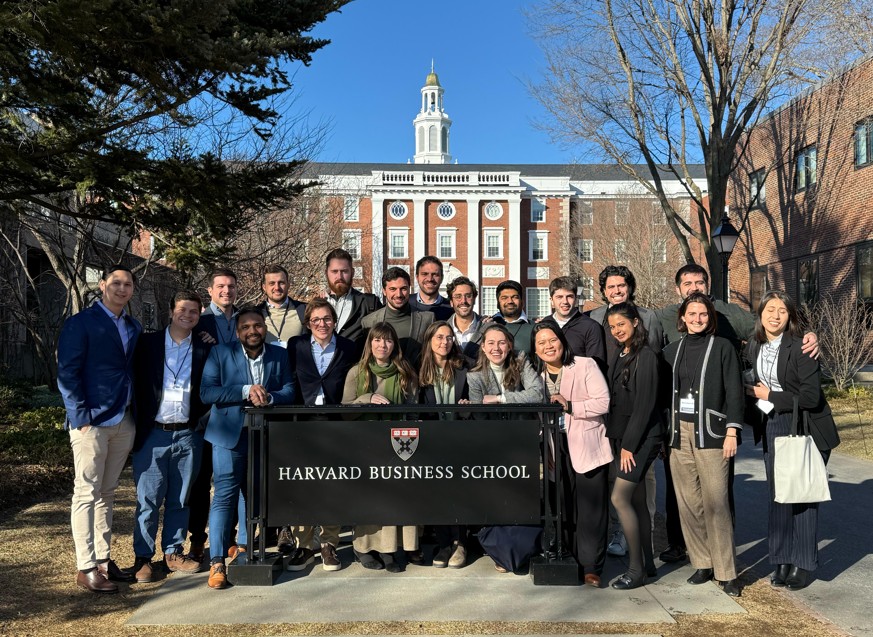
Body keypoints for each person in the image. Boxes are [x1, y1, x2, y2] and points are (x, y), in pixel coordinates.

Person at [655, 263, 818, 565]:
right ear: (678, 289)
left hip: (716, 417)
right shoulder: (663, 317)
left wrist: (806, 334)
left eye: (699, 282)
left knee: (719, 492)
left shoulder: (728, 313)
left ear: (708, 285)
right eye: (687, 283)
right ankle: (681, 545)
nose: (694, 288)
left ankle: (723, 553)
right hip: (681, 420)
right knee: (681, 491)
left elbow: (768, 324)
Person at [745, 291, 840, 591]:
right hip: (772, 423)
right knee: (778, 496)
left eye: (782, 311)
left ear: (790, 317)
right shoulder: (754, 345)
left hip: (805, 427)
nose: (775, 316)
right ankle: (781, 560)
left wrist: (769, 395)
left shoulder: (802, 347)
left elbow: (811, 397)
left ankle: (802, 563)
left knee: (801, 497)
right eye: (770, 309)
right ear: (760, 313)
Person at [57, 265, 142, 593]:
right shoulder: (81, 323)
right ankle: (86, 567)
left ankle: (103, 560)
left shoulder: (133, 325)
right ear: (103, 285)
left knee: (107, 493)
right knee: (86, 493)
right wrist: (80, 417)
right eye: (116, 283)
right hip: (91, 422)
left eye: (127, 284)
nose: (122, 288)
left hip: (124, 419)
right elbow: (67, 372)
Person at [200, 308, 296, 589]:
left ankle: (245, 548)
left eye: (257, 325)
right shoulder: (220, 353)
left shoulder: (279, 354)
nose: (252, 331)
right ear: (237, 331)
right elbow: (207, 392)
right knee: (224, 496)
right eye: (245, 327)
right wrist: (246, 390)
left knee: (252, 494)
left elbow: (290, 389)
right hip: (228, 435)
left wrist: (270, 397)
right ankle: (217, 561)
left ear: (265, 327)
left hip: (264, 436)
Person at [126, 291, 211, 583]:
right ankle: (142, 557)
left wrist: (201, 424)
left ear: (199, 316)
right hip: (153, 432)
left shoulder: (204, 347)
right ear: (171, 311)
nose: (187, 316)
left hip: (188, 434)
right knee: (148, 500)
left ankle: (173, 552)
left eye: (194, 312)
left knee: (181, 498)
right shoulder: (147, 344)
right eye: (182, 310)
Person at [663, 292, 743, 597]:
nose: (697, 319)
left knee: (716, 502)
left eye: (703, 314)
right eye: (692, 314)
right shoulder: (671, 351)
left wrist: (732, 431)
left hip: (712, 433)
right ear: (682, 317)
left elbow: (734, 391)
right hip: (678, 434)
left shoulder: (723, 347)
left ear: (710, 318)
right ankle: (702, 562)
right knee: (688, 502)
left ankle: (727, 572)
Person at [587, 266, 661, 560]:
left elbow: (653, 365)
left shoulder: (648, 317)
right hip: (609, 410)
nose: (616, 290)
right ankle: (622, 533)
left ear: (630, 287)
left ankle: (642, 536)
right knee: (614, 478)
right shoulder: (594, 318)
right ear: (604, 291)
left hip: (638, 413)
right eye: (611, 287)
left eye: (621, 285)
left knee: (641, 482)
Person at [530, 321, 612, 587]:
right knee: (563, 505)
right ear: (535, 349)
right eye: (541, 343)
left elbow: (603, 402)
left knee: (590, 510)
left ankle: (591, 567)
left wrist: (571, 405)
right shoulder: (535, 376)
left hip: (587, 443)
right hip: (555, 446)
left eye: (552, 340)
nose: (548, 346)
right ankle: (570, 558)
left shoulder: (585, 365)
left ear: (562, 341)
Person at [284, 298, 357, 571]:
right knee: (302, 484)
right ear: (308, 323)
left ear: (334, 321)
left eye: (327, 319)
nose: (322, 324)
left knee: (332, 486)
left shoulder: (349, 347)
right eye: (316, 320)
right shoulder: (297, 346)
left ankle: (329, 544)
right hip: (303, 424)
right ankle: (304, 546)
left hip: (335, 425)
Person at [342, 322, 420, 573]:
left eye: (387, 340)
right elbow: (344, 411)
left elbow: (413, 410)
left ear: (394, 344)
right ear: (370, 343)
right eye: (377, 340)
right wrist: (366, 399)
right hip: (364, 443)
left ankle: (389, 549)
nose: (382, 345)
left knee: (392, 499)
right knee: (368, 498)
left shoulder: (405, 372)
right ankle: (363, 548)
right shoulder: (357, 372)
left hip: (397, 444)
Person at [467, 323, 543, 572]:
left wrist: (501, 399)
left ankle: (522, 548)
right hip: (492, 445)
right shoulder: (475, 375)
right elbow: (479, 413)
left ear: (510, 345)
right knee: (496, 498)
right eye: (490, 343)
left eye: (501, 342)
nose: (496, 348)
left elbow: (537, 394)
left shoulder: (521, 362)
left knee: (521, 496)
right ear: (483, 347)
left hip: (522, 442)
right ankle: (500, 550)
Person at [604, 303, 664, 589]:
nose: (617, 330)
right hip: (622, 437)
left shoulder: (646, 355)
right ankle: (648, 565)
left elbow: (645, 404)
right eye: (612, 326)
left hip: (641, 439)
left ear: (636, 322)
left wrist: (629, 446)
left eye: (621, 324)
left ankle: (635, 570)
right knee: (637, 501)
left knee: (619, 498)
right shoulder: (621, 353)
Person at [188, 267, 241, 563]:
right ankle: (197, 539)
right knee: (201, 479)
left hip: (234, 412)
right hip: (205, 412)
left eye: (231, 286)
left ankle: (229, 536)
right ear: (210, 290)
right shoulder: (198, 320)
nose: (226, 291)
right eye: (220, 286)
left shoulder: (245, 319)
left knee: (229, 479)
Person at [418, 321, 472, 568]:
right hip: (432, 440)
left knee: (460, 492)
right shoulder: (419, 369)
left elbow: (473, 399)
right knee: (437, 493)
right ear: (430, 340)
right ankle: (443, 544)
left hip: (459, 439)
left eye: (449, 337)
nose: (445, 342)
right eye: (439, 337)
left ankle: (460, 543)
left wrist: (467, 408)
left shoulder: (465, 366)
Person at [361, 266, 433, 365]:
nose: (399, 294)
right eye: (393, 289)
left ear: (409, 289)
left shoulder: (428, 319)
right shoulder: (368, 322)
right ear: (384, 291)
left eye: (403, 289)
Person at [323, 248, 382, 349]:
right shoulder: (316, 305)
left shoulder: (370, 303)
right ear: (326, 273)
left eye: (344, 271)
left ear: (352, 272)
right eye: (334, 271)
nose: (339, 276)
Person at [548, 276, 607, 371]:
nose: (565, 301)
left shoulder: (591, 327)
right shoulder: (544, 325)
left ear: (576, 299)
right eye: (559, 297)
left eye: (569, 296)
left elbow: (596, 366)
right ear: (551, 300)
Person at [257, 264, 306, 348]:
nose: (277, 287)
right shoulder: (255, 314)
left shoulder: (304, 310)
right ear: (264, 287)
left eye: (281, 283)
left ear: (288, 285)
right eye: (272, 283)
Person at [489, 280, 533, 354]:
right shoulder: (488, 325)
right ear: (498, 303)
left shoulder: (534, 328)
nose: (510, 301)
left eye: (515, 297)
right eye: (504, 298)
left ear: (522, 302)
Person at [446, 276, 483, 359]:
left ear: (474, 299)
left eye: (468, 296)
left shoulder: (487, 328)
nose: (463, 301)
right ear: (451, 302)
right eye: (458, 296)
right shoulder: (443, 330)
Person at [408, 255, 453, 320]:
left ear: (442, 278)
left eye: (435, 274)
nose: (430, 279)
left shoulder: (451, 308)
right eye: (425, 274)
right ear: (417, 277)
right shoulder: (405, 303)